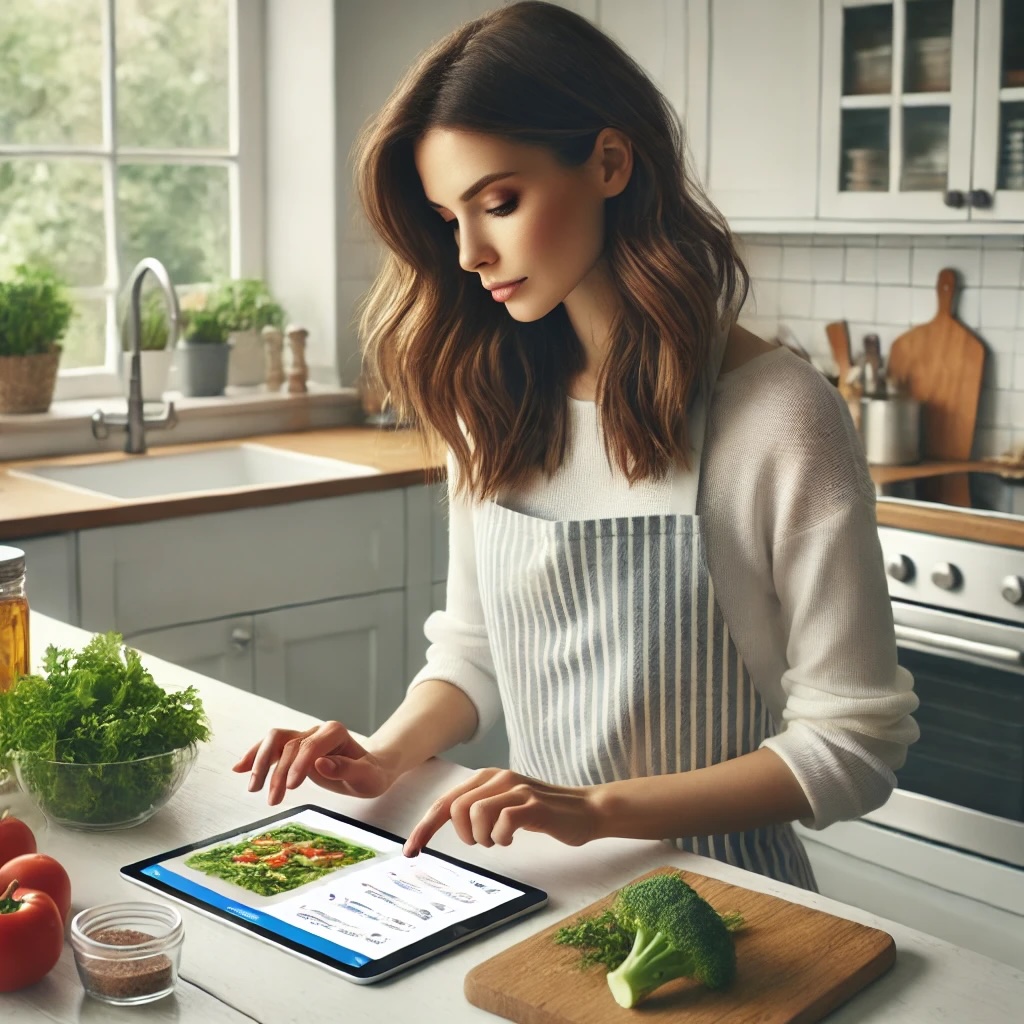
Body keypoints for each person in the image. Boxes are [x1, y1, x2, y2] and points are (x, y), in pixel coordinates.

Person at [234, 0, 919, 889]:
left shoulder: (781, 416)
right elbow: (477, 652)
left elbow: (854, 744)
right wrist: (382, 755)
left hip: (733, 906)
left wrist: (593, 811)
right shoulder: (492, 398)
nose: (473, 252)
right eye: (449, 219)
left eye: (500, 202)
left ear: (608, 162)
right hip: (540, 892)